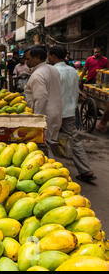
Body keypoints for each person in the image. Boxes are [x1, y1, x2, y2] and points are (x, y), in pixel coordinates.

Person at [48, 45, 96, 182]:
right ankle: (85, 169)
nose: (48, 57)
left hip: (55, 112)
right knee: (74, 140)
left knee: (49, 140)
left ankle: (52, 173)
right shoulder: (73, 71)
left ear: (54, 56)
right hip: (70, 111)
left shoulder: (53, 71)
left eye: (49, 55)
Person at [24, 45, 62, 155]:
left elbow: (41, 98)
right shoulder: (53, 69)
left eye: (28, 59)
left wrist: (36, 121)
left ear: (37, 58)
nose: (26, 62)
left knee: (44, 149)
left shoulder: (37, 75)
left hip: (44, 116)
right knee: (50, 143)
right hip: (56, 113)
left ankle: (53, 170)